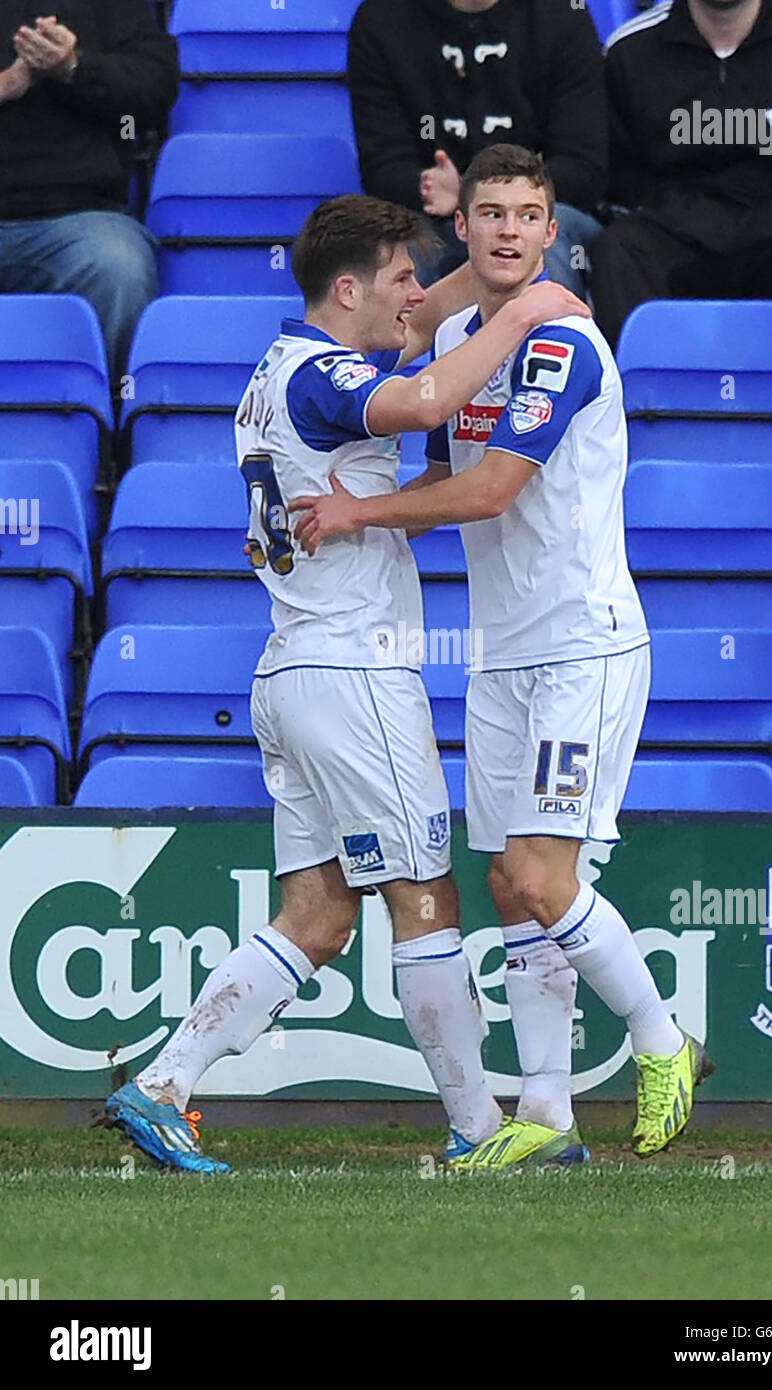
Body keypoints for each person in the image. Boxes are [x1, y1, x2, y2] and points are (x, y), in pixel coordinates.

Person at [105, 193, 589, 1173]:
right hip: (354, 672)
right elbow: (423, 402)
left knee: (320, 912)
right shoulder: (327, 377)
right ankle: (479, 1129)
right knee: (426, 894)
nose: (417, 294)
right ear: (346, 290)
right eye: (401, 278)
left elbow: (406, 339)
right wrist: (523, 313)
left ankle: (162, 1084)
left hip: (292, 672)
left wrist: (488, 279)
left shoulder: (283, 369)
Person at [292, 146, 715, 1168]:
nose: (511, 233)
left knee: (542, 873)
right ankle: (548, 1116)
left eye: (530, 215)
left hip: (583, 644)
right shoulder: (471, 334)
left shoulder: (561, 343)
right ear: (470, 226)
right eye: (491, 214)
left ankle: (665, 1042)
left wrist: (361, 515)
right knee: (505, 886)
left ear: (553, 226)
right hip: (503, 654)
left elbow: (488, 492)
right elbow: (448, 447)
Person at [590, 0, 772, 395]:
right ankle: (646, 416)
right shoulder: (629, 49)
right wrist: (663, 210)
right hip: (675, 229)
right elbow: (610, 173)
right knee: (616, 251)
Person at [347, 0, 606, 296]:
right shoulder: (383, 18)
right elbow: (383, 165)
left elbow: (584, 167)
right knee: (391, 260)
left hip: (544, 205)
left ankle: (549, 340)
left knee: (540, 240)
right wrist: (425, 187)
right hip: (429, 214)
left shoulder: (561, 13)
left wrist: (480, 194)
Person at [0, 2, 178, 385]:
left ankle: (102, 431)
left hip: (75, 217)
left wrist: (74, 67)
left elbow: (154, 90)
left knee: (119, 270)